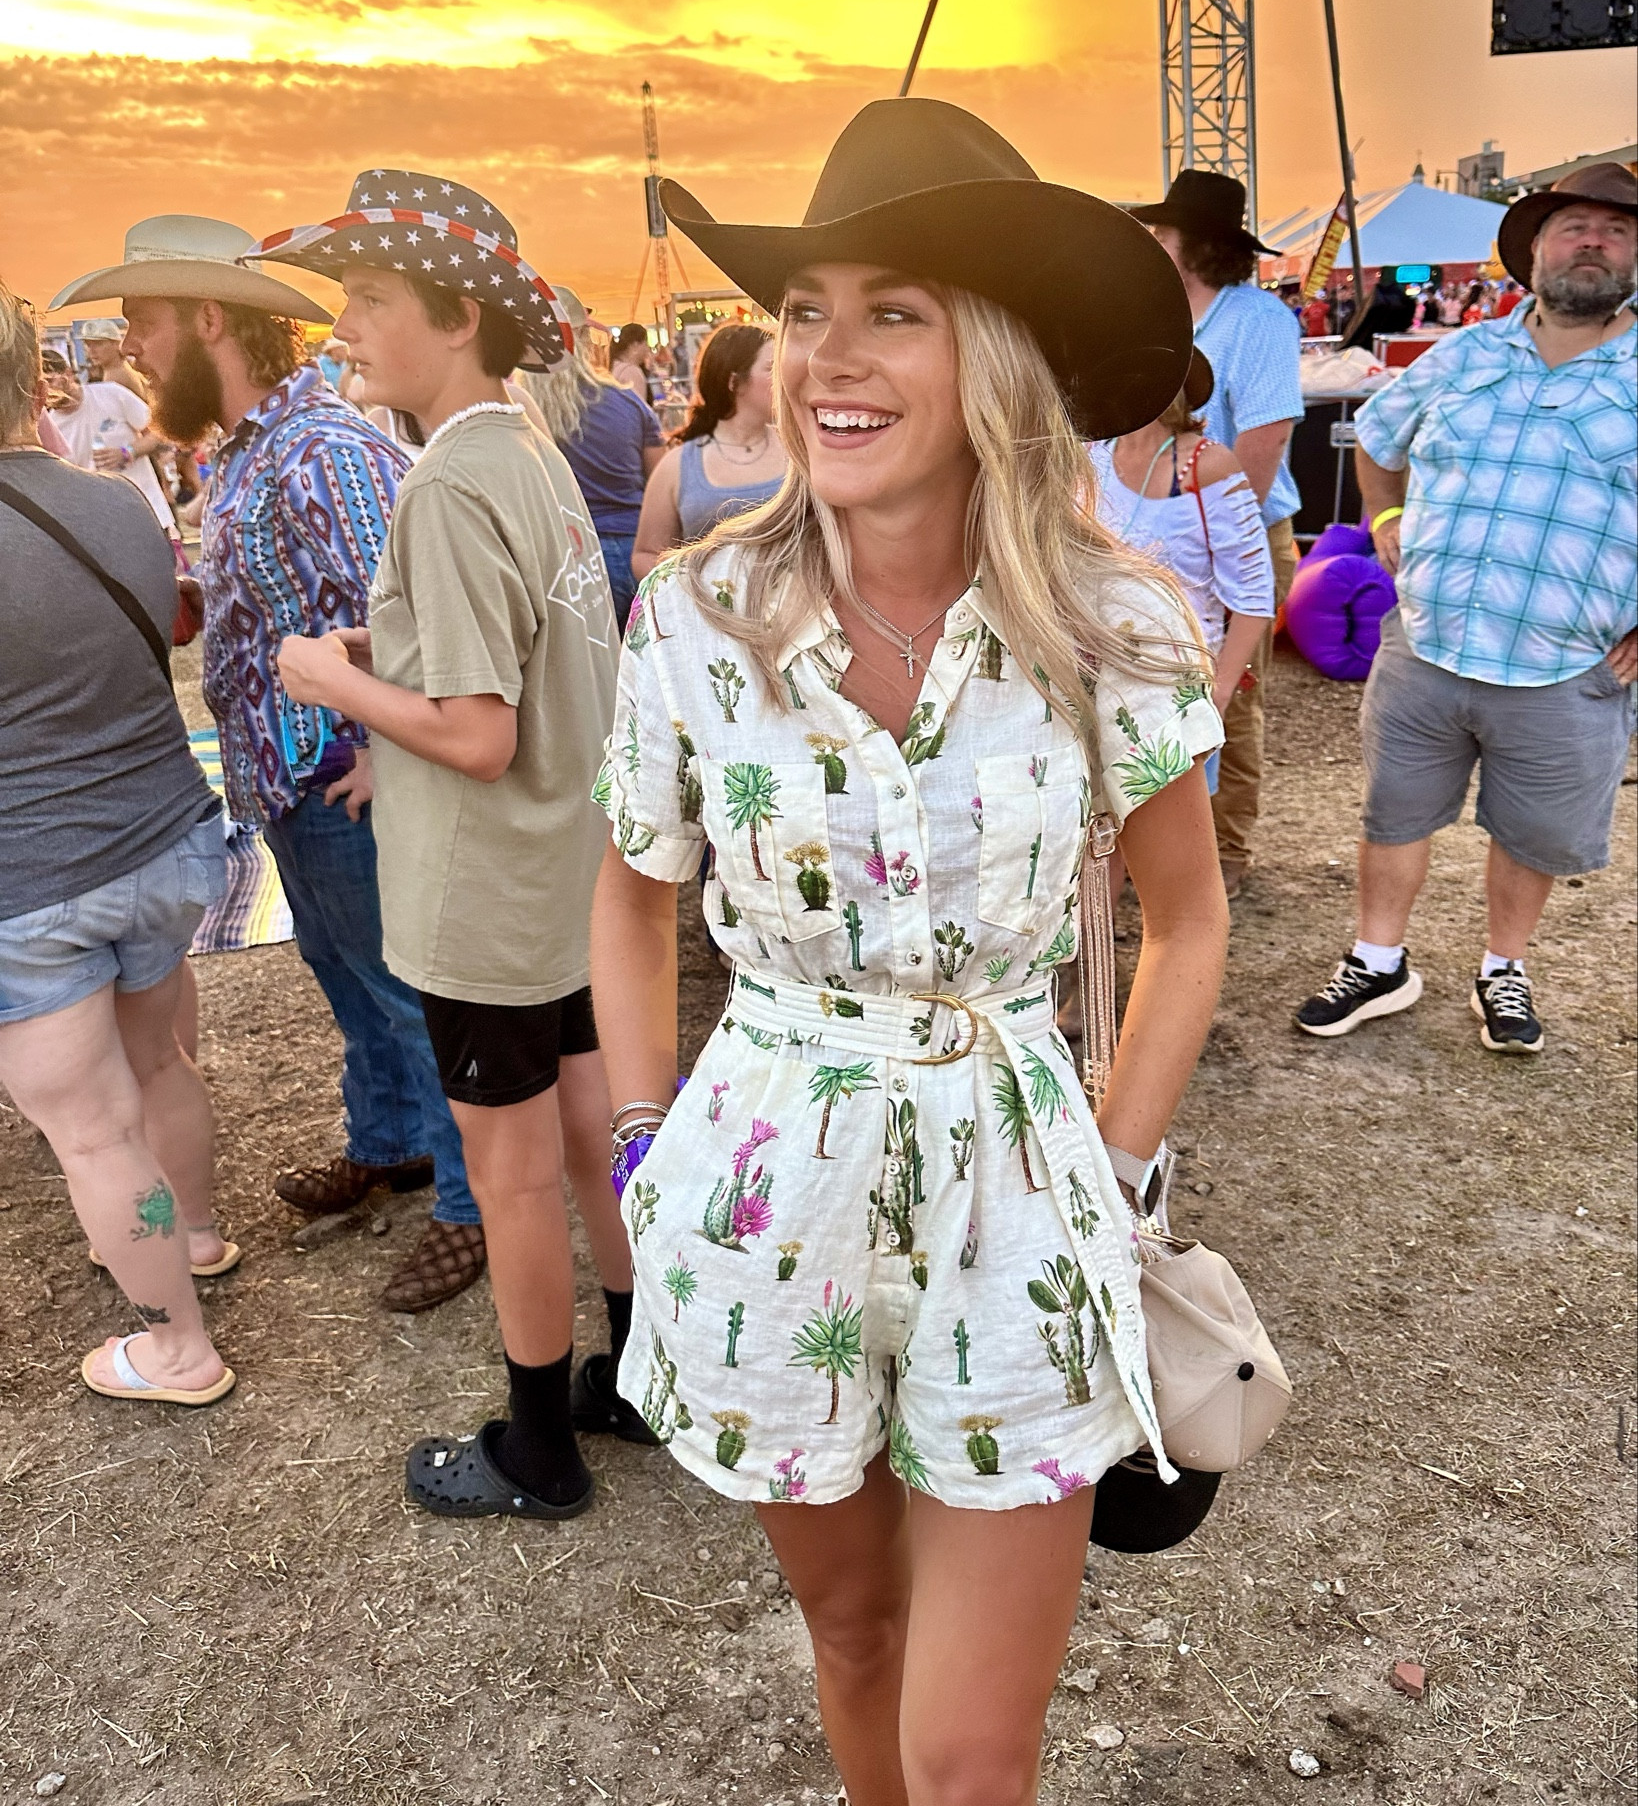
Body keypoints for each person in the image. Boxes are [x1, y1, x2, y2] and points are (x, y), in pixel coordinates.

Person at [591, 97, 1229, 1804]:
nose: (828, 358)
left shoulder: (1114, 622)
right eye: (808, 311)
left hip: (1017, 1185)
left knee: (967, 1749)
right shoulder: (691, 617)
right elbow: (629, 890)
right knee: (856, 1631)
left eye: (894, 310)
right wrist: (646, 1152)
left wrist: (1119, 1163)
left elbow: (1187, 916)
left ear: (994, 359)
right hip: (756, 1189)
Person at [260, 169, 641, 1519]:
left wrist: (326, 673)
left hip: (486, 888)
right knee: (590, 1129)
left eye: (368, 299)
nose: (344, 327)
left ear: (458, 315)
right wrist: (391, 652)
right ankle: (636, 1371)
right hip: (563, 868)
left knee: (511, 1171)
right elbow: (519, 663)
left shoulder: (448, 484)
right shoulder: (521, 453)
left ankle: (541, 1448)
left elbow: (477, 734)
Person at [50, 213, 484, 1312]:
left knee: (405, 996)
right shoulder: (251, 448)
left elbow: (423, 613)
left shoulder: (326, 448)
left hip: (346, 778)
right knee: (349, 981)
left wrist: (390, 748)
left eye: (145, 322)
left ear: (208, 319)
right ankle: (391, 1144)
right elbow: (305, 597)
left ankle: (468, 1207)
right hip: (295, 783)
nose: (133, 346)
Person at [1295, 162, 1637, 1055]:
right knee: (1394, 811)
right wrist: (1386, 513)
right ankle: (1379, 961)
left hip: (1570, 661)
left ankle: (1504, 970)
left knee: (1531, 832)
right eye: (1574, 227)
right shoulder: (1466, 353)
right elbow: (1378, 438)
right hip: (1430, 642)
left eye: (1616, 229)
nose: (1592, 242)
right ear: (1537, 251)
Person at [0, 278, 236, 1406]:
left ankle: (176, 1346)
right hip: (161, 837)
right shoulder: (115, 505)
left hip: (31, 882)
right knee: (157, 1063)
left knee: (91, 1133)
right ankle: (191, 1233)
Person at [1131, 169, 1302, 896]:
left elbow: (1263, 440)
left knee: (1230, 691)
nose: (1147, 244)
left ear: (1191, 246)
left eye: (1159, 234)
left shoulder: (1256, 320)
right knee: (1152, 692)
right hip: (1153, 532)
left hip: (1241, 533)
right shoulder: (1153, 316)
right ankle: (1158, 846)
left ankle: (1224, 851)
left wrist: (1220, 540)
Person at [1089, 349, 1275, 768]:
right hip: (1096, 676)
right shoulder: (1090, 457)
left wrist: (1219, 692)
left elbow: (1254, 595)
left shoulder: (1206, 465)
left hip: (1179, 685)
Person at [517, 285, 664, 628]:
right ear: (583, 339)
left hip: (567, 560)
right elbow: (662, 484)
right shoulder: (628, 404)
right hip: (636, 552)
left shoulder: (519, 412)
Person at [631, 322, 781, 580]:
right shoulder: (679, 464)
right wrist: (693, 591)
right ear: (734, 382)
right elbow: (646, 554)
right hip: (713, 615)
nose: (784, 377)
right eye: (771, 368)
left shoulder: (799, 449)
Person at [42, 345, 177, 546]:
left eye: (51, 381)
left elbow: (158, 433)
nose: (47, 390)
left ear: (68, 374)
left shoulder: (111, 394)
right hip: (103, 528)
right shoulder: (50, 429)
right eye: (41, 385)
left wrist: (128, 451)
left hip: (148, 513)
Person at [611, 322, 654, 402]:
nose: (647, 349)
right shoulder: (632, 372)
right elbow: (638, 409)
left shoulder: (614, 366)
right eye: (645, 344)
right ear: (635, 345)